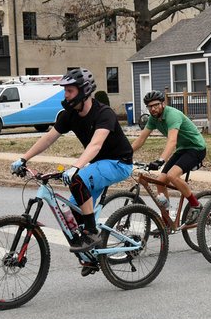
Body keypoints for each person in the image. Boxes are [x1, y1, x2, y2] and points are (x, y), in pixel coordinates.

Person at [11, 68, 134, 274]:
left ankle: (92, 232)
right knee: (72, 215)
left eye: (69, 91)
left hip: (118, 163)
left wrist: (76, 167)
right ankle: (91, 258)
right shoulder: (69, 115)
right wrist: (24, 158)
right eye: (65, 91)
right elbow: (49, 138)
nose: (65, 95)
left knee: (79, 180)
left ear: (84, 91)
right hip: (96, 165)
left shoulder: (104, 113)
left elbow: (95, 145)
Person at [131, 90, 207, 224]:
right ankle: (166, 222)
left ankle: (196, 205)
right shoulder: (153, 119)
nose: (153, 109)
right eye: (150, 107)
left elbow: (172, 141)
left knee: (172, 176)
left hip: (196, 148)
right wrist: (125, 154)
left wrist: (161, 160)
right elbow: (141, 138)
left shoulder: (172, 115)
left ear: (163, 104)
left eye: (156, 105)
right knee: (160, 181)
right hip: (182, 149)